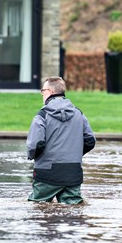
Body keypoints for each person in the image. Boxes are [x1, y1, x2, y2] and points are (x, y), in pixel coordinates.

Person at [26, 76, 96, 204]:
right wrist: (74, 153)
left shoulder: (42, 115)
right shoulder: (78, 113)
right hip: (73, 172)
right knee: (73, 212)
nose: (42, 94)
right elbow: (90, 140)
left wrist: (32, 157)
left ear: (50, 92)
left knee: (37, 208)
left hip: (47, 173)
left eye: (43, 91)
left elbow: (35, 145)